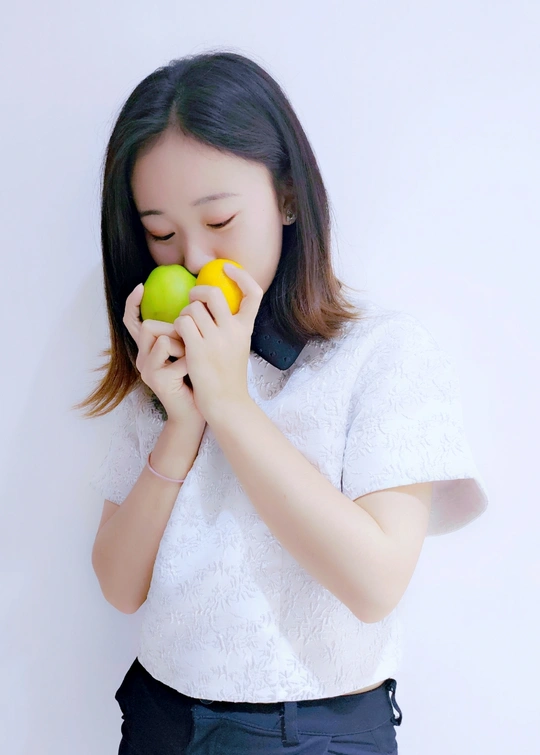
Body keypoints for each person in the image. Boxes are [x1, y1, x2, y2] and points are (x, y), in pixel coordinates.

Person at [77, 50, 490, 754]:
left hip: (311, 732)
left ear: (288, 198)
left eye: (220, 220)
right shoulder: (166, 361)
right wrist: (183, 421)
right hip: (161, 720)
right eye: (162, 234)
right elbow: (120, 585)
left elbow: (374, 583)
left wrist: (231, 405)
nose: (193, 259)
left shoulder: (381, 351)